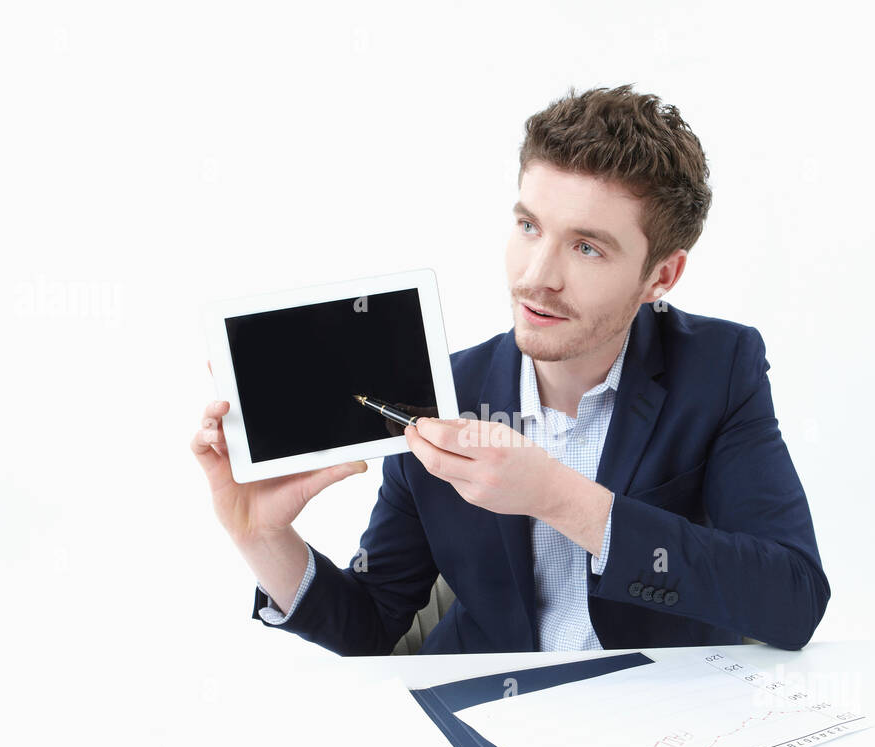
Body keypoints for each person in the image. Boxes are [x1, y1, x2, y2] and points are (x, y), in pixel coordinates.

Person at [190, 84, 829, 656]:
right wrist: (262, 538)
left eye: (586, 247)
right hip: (491, 721)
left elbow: (794, 600)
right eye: (528, 226)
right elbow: (373, 623)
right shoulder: (442, 394)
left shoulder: (719, 368)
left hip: (662, 719)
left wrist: (556, 496)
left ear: (660, 276)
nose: (535, 277)